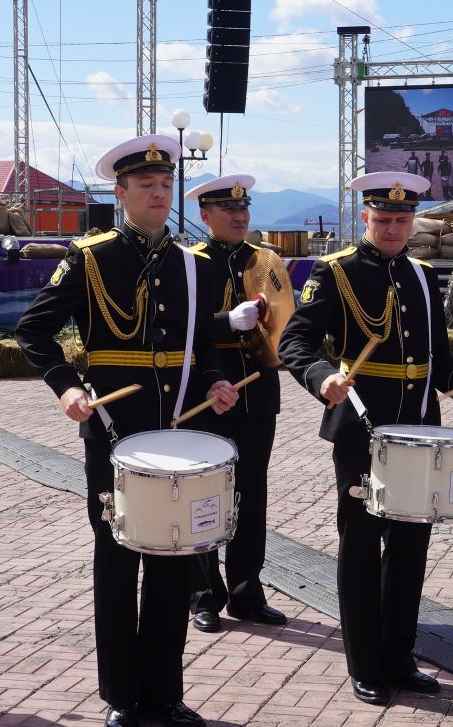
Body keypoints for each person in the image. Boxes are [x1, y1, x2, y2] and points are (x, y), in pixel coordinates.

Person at [15, 134, 239, 727]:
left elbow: (203, 343)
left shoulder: (197, 264)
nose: (159, 194)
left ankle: (165, 693)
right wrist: (67, 387)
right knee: (117, 564)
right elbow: (32, 331)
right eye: (146, 186)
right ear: (121, 194)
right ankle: (121, 696)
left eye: (166, 185)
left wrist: (214, 381)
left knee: (172, 562)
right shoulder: (90, 257)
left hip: (177, 431)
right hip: (115, 431)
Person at [278, 171, 453, 706]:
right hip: (362, 431)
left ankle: (400, 655)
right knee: (360, 549)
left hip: (419, 431)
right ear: (365, 219)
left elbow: (437, 361)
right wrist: (321, 377)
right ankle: (366, 663)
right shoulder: (335, 272)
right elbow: (296, 340)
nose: (394, 228)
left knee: (409, 547)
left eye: (402, 220)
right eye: (384, 219)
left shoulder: (424, 275)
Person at [182, 174, 288, 634]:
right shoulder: (189, 263)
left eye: (244, 209)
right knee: (205, 494)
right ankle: (203, 594)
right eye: (228, 210)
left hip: (256, 391)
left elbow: (281, 322)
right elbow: (179, 327)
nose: (240, 216)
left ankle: (247, 592)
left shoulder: (265, 261)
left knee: (251, 495)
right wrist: (226, 322)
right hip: (208, 390)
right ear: (205, 216)